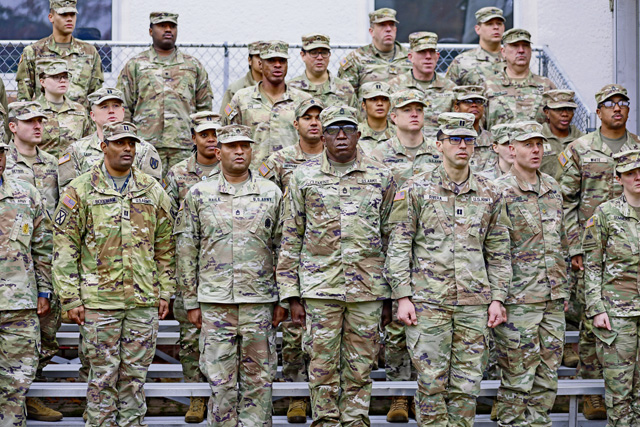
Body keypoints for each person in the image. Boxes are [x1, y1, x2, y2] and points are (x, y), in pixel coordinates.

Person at [386, 112, 511, 426]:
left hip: (474, 304)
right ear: (439, 144)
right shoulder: (415, 188)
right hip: (429, 303)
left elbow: (498, 251)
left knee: (467, 388)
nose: (462, 145)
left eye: (468, 139)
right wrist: (402, 296)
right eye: (454, 139)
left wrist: (498, 298)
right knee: (431, 384)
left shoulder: (490, 192)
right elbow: (399, 245)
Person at [277, 105, 396, 426]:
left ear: (359, 134)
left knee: (361, 368)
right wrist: (291, 295)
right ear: (323, 137)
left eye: (347, 129)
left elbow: (392, 236)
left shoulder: (381, 176)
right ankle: (325, 422)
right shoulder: (303, 177)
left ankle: (355, 422)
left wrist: (391, 295)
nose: (340, 136)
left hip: (368, 291)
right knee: (321, 367)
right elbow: (291, 235)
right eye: (332, 130)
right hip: (320, 289)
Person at [53, 121, 175, 426]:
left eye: (131, 143)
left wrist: (165, 290)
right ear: (104, 146)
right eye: (120, 143)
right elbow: (65, 246)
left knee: (134, 379)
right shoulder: (80, 189)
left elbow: (165, 246)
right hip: (98, 303)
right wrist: (70, 297)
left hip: (142, 301)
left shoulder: (151, 189)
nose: (127, 149)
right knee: (102, 378)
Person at [175, 124, 284, 426]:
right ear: (218, 151)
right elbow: (186, 249)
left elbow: (283, 248)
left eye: (244, 146)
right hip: (215, 303)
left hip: (259, 302)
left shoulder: (271, 193)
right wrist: (191, 301)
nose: (239, 151)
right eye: (232, 146)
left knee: (259, 382)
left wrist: (283, 299)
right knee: (220, 384)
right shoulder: (199, 193)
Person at [559, 83, 640, 420]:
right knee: (593, 320)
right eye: (610, 103)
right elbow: (566, 200)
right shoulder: (580, 148)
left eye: (623, 102)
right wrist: (575, 246)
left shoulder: (638, 147)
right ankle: (591, 389)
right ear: (598, 111)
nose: (617, 108)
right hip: (590, 249)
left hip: (628, 252)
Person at [493, 121, 569, 426]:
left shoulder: (552, 187)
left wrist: (561, 287)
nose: (536, 150)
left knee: (547, 377)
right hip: (518, 298)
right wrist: (497, 298)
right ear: (512, 150)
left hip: (552, 296)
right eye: (528, 144)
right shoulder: (498, 190)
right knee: (517, 378)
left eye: (539, 144)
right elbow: (493, 249)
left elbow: (560, 240)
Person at [3, 101, 62, 422]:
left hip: (42, 263)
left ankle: (28, 396)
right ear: (13, 127)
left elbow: (59, 213)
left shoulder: (53, 164)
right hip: (14, 272)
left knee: (46, 334)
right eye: (30, 121)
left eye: (41, 121)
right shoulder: (6, 162)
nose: (38, 126)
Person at [163, 111, 221, 423]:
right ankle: (197, 397)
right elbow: (167, 221)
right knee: (189, 338)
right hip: (189, 270)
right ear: (194, 138)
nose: (211, 140)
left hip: (223, 267)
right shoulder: (178, 174)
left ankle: (222, 395)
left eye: (216, 134)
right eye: (205, 134)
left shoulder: (233, 169)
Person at [584, 149, 640, 426]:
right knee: (620, 395)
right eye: (630, 173)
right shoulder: (605, 213)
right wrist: (596, 308)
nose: (637, 177)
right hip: (617, 314)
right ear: (619, 179)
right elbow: (592, 265)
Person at [117, 12, 213, 173]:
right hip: (145, 145)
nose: (168, 30)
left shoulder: (193, 66)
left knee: (184, 186)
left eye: (172, 26)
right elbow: (124, 107)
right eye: (162, 26)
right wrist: (126, 141)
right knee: (146, 187)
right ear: (151, 31)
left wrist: (201, 141)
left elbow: (204, 108)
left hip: (184, 146)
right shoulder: (136, 65)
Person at [0, 138, 52, 427]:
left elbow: (42, 248)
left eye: (0, 153)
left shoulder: (27, 194)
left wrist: (45, 291)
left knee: (16, 385)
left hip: (18, 304)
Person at [224, 40, 311, 171]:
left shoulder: (303, 100)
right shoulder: (242, 99)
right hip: (253, 175)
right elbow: (228, 139)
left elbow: (313, 141)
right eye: (271, 60)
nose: (277, 65)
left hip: (291, 174)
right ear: (260, 64)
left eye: (282, 61)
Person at [58, 87, 162, 193]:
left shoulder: (144, 149)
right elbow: (69, 193)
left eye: (116, 106)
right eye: (104, 107)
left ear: (123, 112)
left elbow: (153, 193)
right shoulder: (76, 150)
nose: (111, 111)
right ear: (92, 115)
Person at [16, 0, 104, 109]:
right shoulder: (33, 52)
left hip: (79, 118)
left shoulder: (89, 52)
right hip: (45, 117)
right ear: (51, 17)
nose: (69, 19)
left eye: (72, 14)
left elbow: (96, 98)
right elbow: (24, 100)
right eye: (63, 14)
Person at [483, 28, 556, 130]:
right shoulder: (489, 86)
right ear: (503, 52)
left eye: (525, 46)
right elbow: (480, 127)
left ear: (530, 51)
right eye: (515, 46)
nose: (521, 50)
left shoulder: (546, 86)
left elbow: (556, 127)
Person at [388, 31, 456, 137]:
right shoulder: (394, 87)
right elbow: (388, 124)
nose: (428, 57)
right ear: (410, 57)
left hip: (439, 145)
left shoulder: (451, 88)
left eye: (431, 52)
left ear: (437, 56)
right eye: (422, 52)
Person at [371, 89, 442, 186]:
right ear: (394, 117)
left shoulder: (440, 151)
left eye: (419, 110)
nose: (414, 114)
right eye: (407, 110)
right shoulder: (380, 154)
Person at [337, 8, 411, 99]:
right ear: (371, 32)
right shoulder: (356, 58)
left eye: (391, 25)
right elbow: (346, 98)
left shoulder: (410, 57)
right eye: (382, 25)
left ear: (395, 30)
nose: (388, 29)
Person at [35, 59, 89, 157]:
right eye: (56, 77)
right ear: (42, 82)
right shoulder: (33, 110)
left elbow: (88, 142)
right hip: (41, 165)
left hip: (73, 165)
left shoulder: (79, 110)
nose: (62, 80)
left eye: (65, 77)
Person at [288, 33, 356, 109]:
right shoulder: (290, 88)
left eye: (324, 53)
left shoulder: (345, 89)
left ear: (329, 55)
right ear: (303, 55)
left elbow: (356, 116)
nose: (320, 57)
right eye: (314, 53)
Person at [445, 7, 506, 85]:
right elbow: (447, 90)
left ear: (503, 28)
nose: (496, 27)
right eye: (489, 24)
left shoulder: (513, 58)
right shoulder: (462, 61)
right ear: (478, 29)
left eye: (499, 23)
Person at [540, 89, 584, 181]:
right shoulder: (537, 138)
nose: (565, 114)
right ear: (547, 112)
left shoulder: (582, 140)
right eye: (558, 109)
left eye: (569, 109)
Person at [452, 85, 495, 172]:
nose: (474, 105)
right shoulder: (447, 139)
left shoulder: (493, 140)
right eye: (468, 102)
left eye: (479, 101)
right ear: (456, 108)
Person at [219, 41, 265, 116]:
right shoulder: (235, 89)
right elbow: (226, 117)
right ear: (250, 60)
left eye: (267, 58)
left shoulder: (280, 88)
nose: (262, 61)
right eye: (258, 56)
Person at [357, 81, 395, 154]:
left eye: (384, 99)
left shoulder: (399, 134)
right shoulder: (355, 133)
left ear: (389, 105)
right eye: (373, 99)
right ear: (364, 105)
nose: (380, 103)